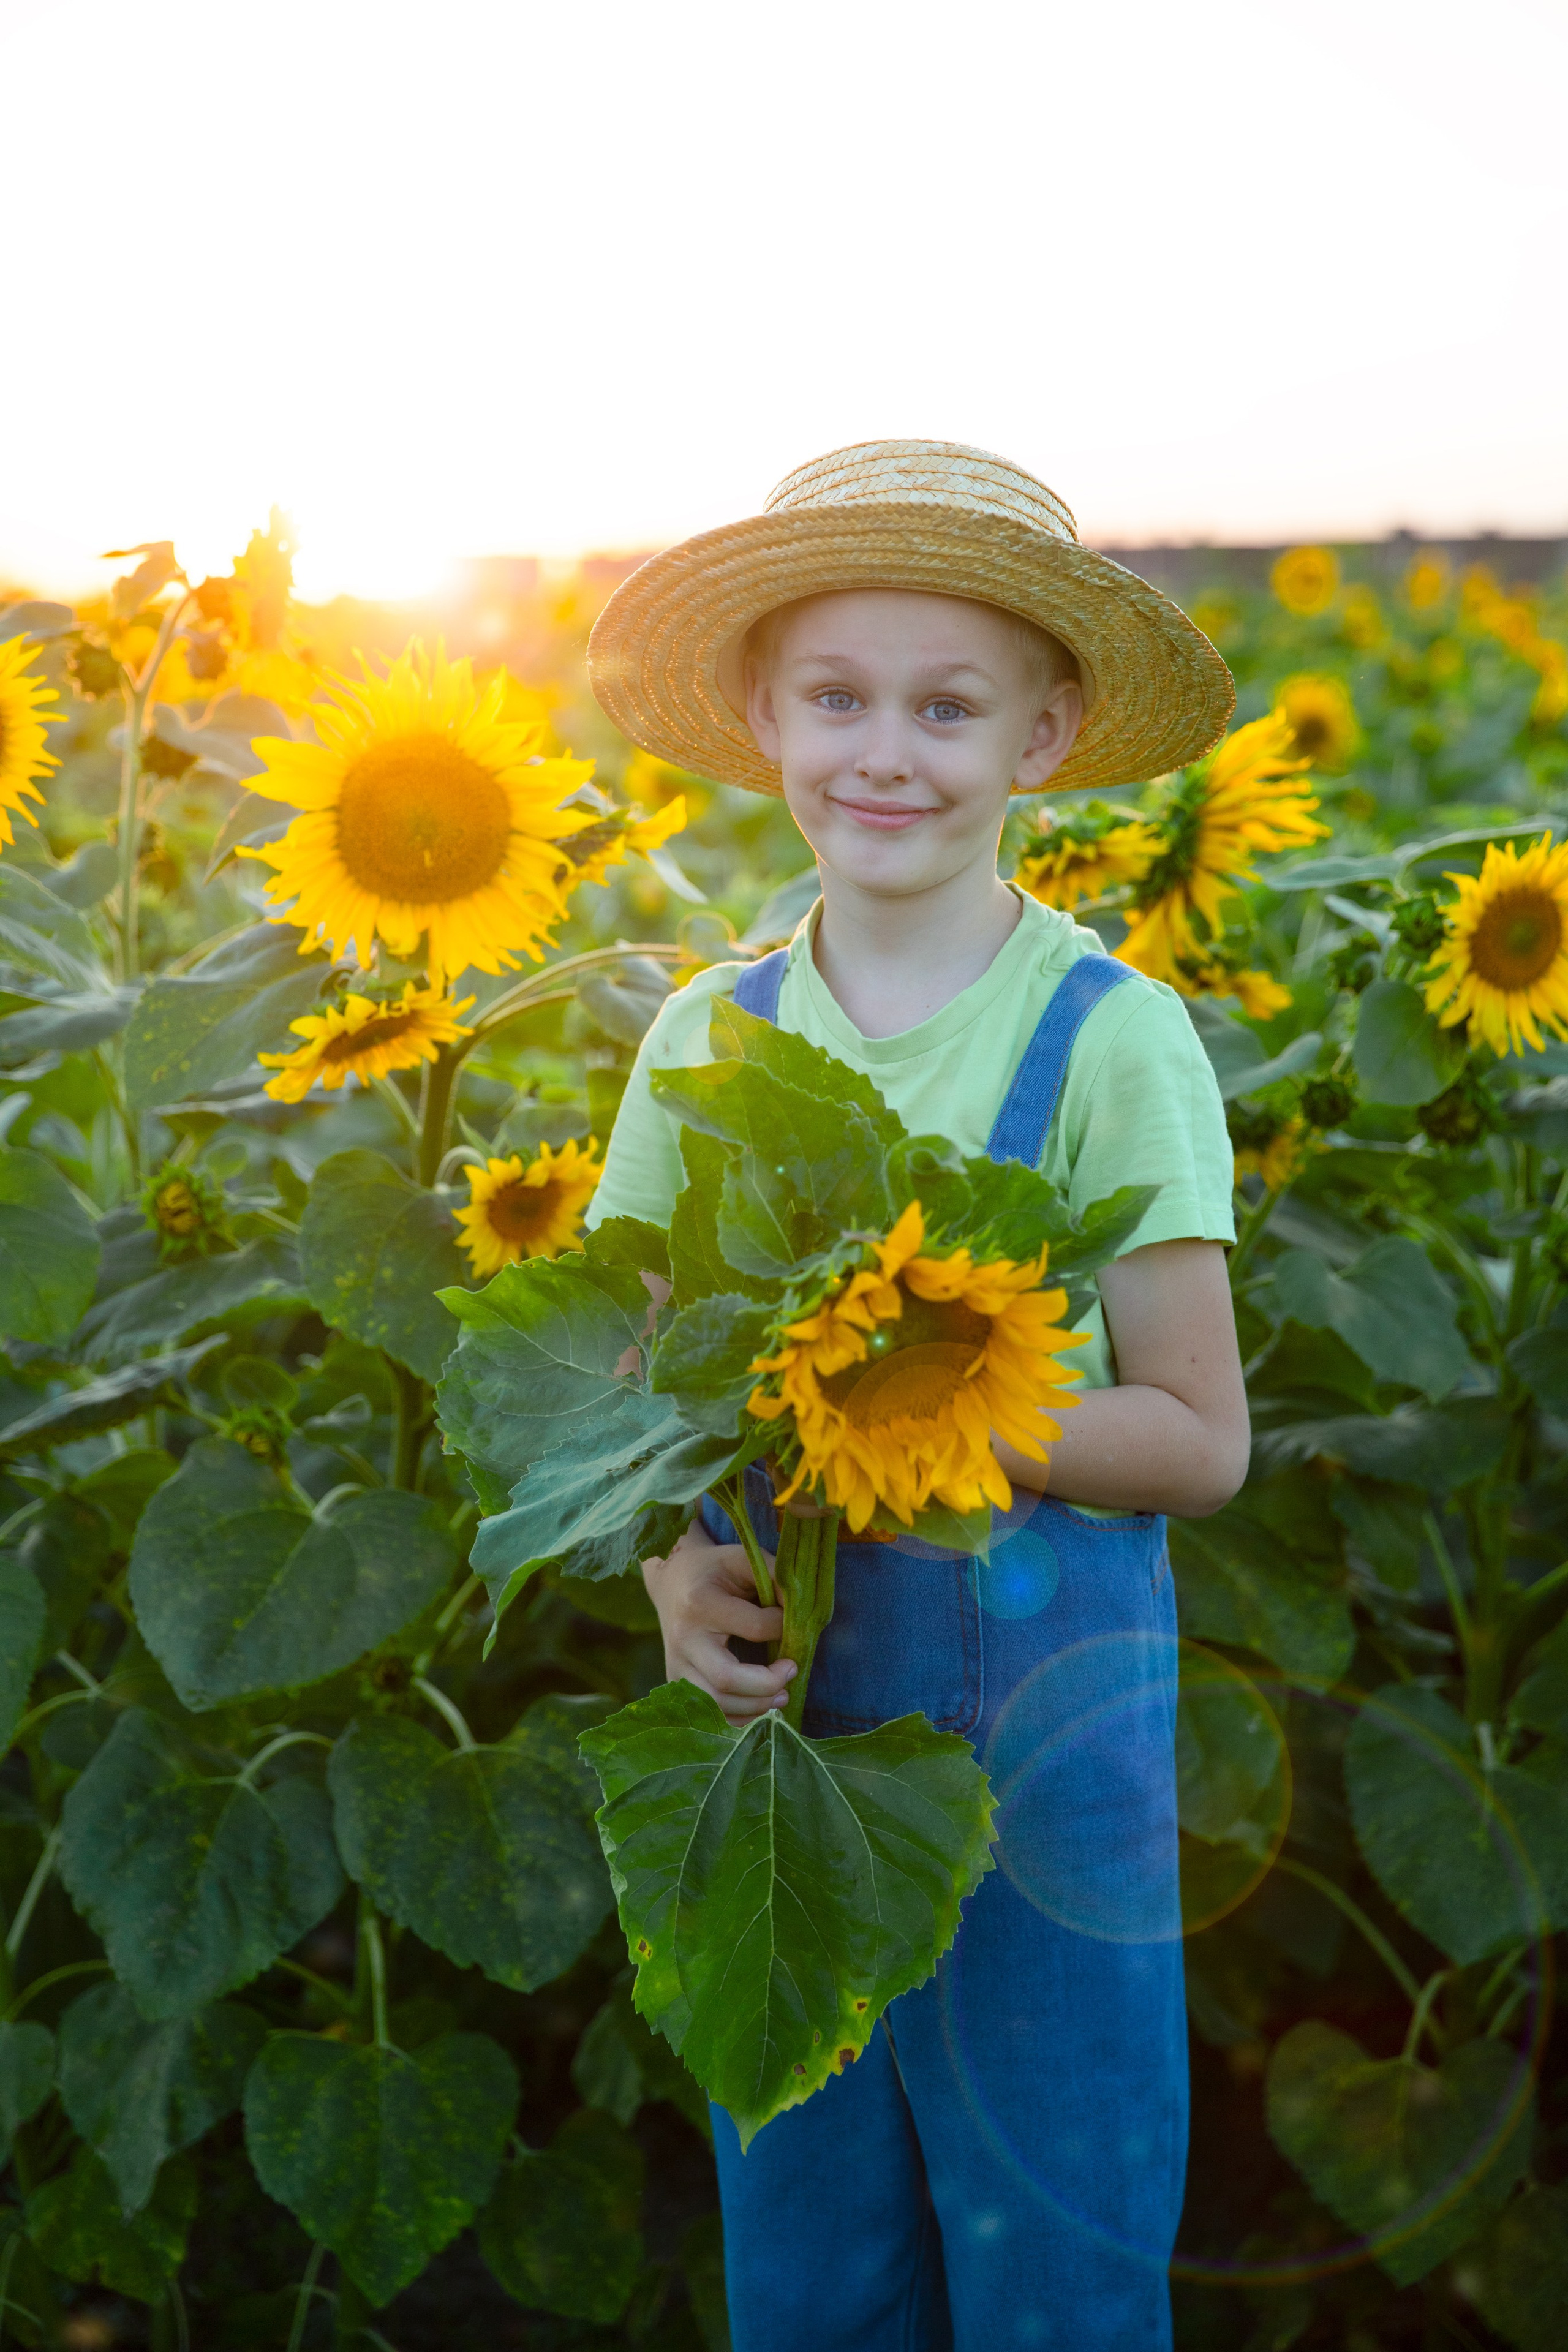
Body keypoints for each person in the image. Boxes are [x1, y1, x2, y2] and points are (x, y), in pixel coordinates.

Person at [584, 442, 1251, 2351]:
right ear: (762, 716)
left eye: (948, 708)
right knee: (805, 2252)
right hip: (777, 1746)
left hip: (1047, 1757)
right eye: (840, 698)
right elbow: (622, 1386)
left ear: (1042, 739)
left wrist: (916, 1400)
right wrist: (665, 1581)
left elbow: (1198, 1442)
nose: (887, 752)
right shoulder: (707, 1038)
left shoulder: (1110, 1037)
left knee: (1062, 2239)